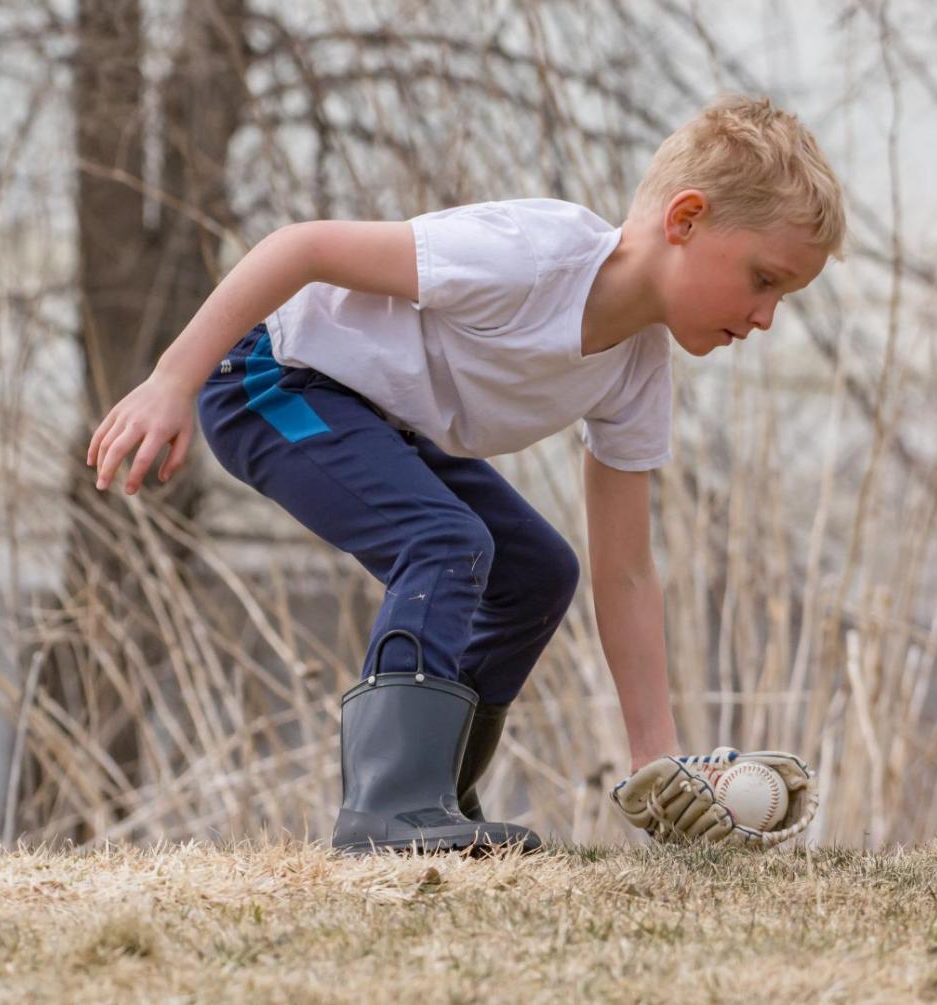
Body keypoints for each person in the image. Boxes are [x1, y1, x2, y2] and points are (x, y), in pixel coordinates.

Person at [86, 93, 846, 856]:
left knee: (539, 570)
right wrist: (170, 381)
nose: (765, 317)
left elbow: (626, 573)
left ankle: (438, 796)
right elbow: (302, 247)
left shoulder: (637, 370)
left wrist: (658, 761)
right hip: (271, 376)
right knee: (446, 540)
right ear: (685, 220)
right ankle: (389, 808)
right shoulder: (531, 256)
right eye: (763, 279)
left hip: (382, 413)